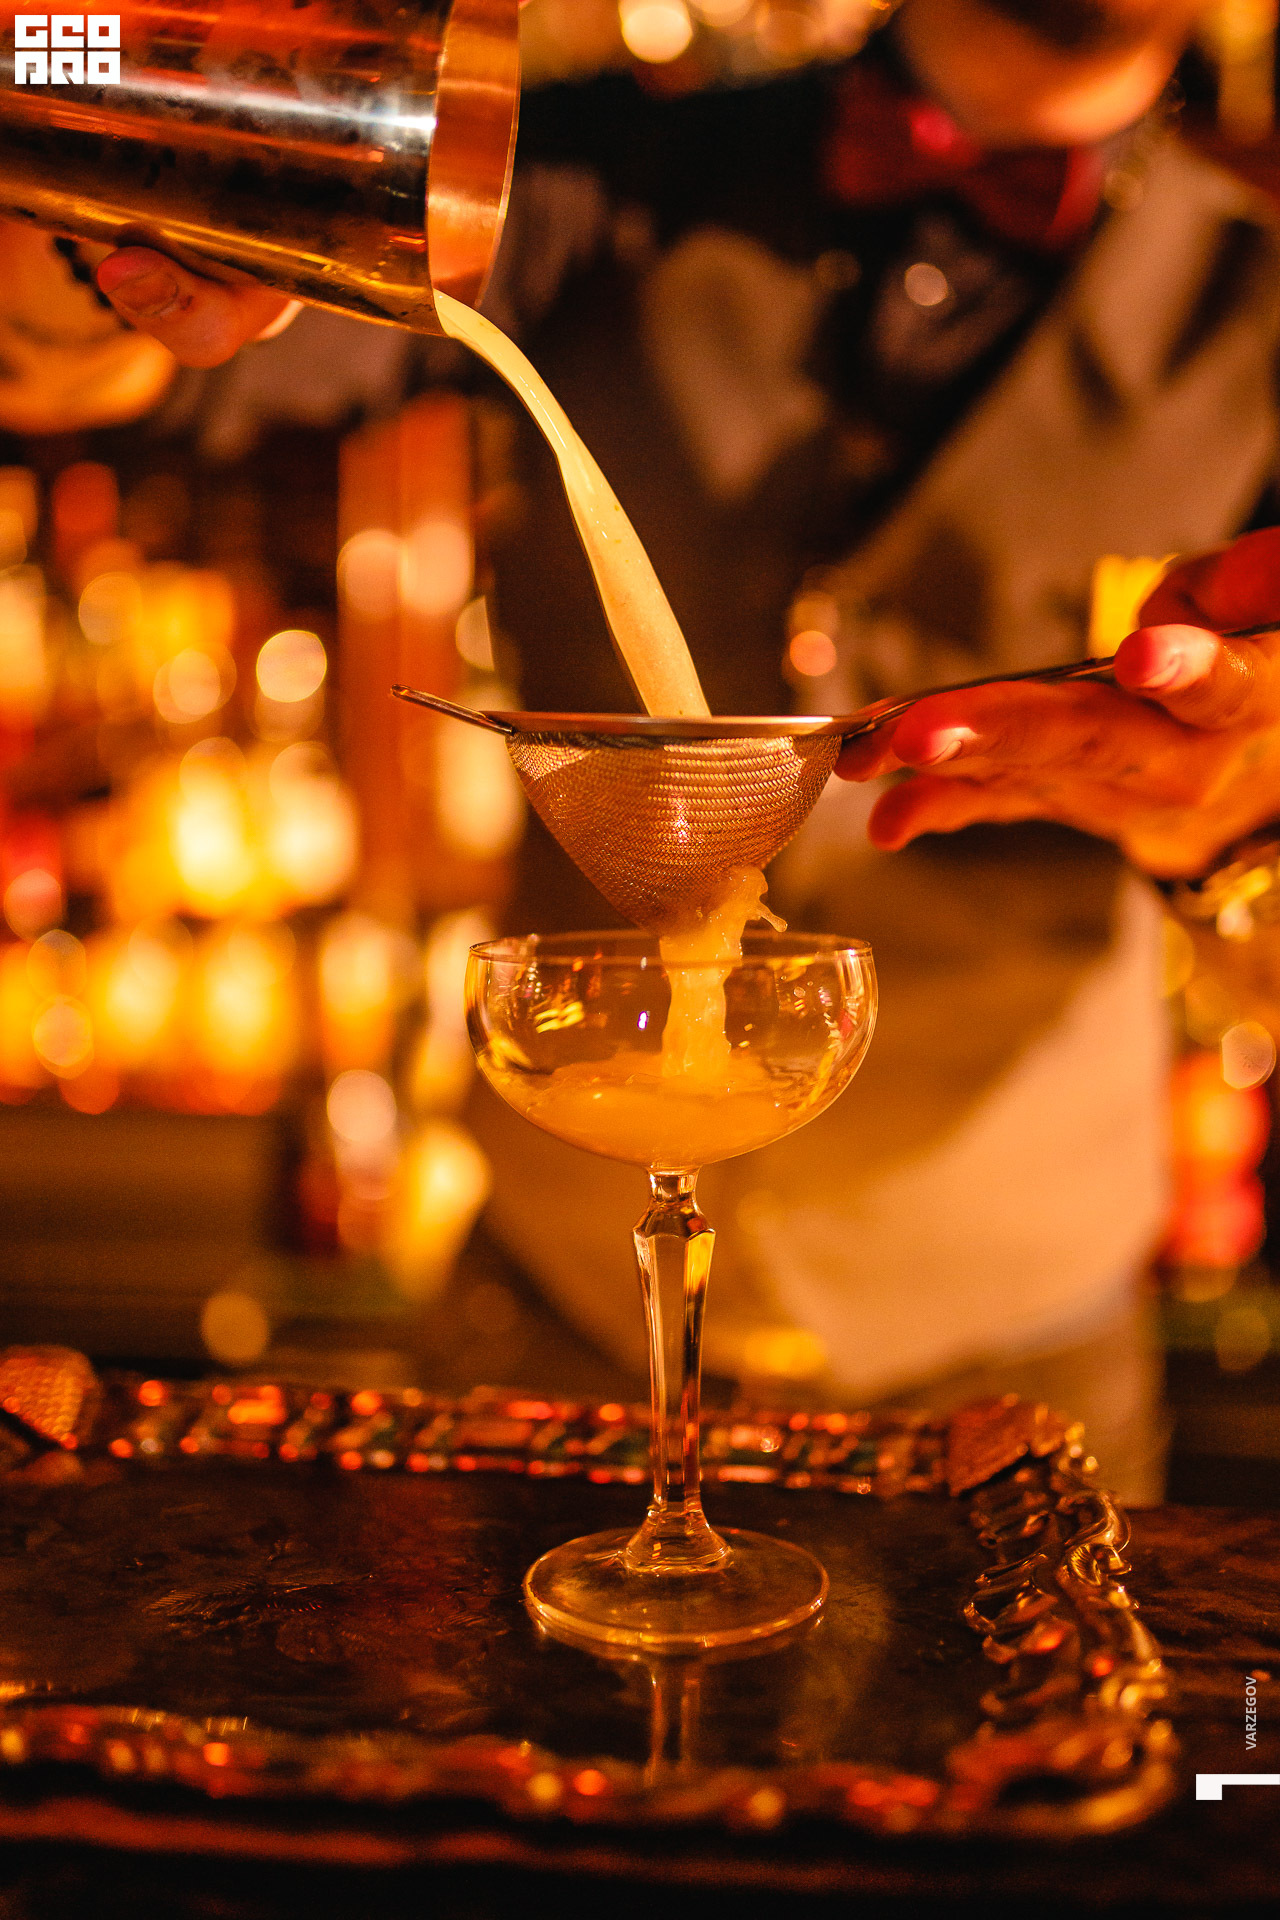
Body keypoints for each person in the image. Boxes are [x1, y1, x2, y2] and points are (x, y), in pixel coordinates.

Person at [11, 0, 1280, 1497]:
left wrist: (1228, 826)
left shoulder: (1256, 306)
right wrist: (84, 153)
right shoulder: (589, 172)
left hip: (1017, 1365)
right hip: (558, 1317)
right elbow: (164, 373)